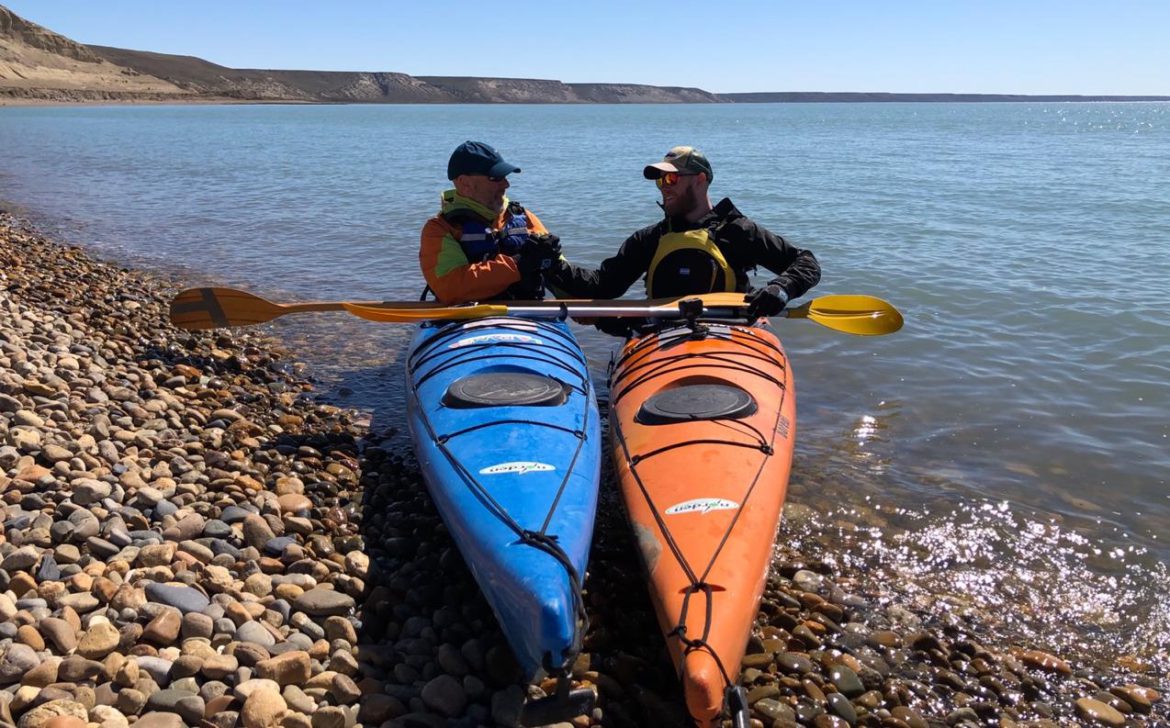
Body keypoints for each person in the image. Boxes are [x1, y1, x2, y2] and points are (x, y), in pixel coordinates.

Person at [548, 146, 821, 334]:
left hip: (730, 335)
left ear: (700, 179)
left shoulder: (737, 232)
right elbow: (602, 287)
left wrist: (781, 289)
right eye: (660, 181)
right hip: (664, 336)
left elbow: (806, 262)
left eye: (671, 178)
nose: (664, 186)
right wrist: (552, 265)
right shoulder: (651, 238)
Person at [420, 141, 563, 304]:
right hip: (467, 320)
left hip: (528, 315)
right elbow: (451, 288)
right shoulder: (439, 229)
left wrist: (591, 308)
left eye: (505, 177)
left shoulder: (524, 218)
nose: (506, 184)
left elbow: (560, 269)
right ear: (465, 183)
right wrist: (518, 264)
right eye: (496, 178)